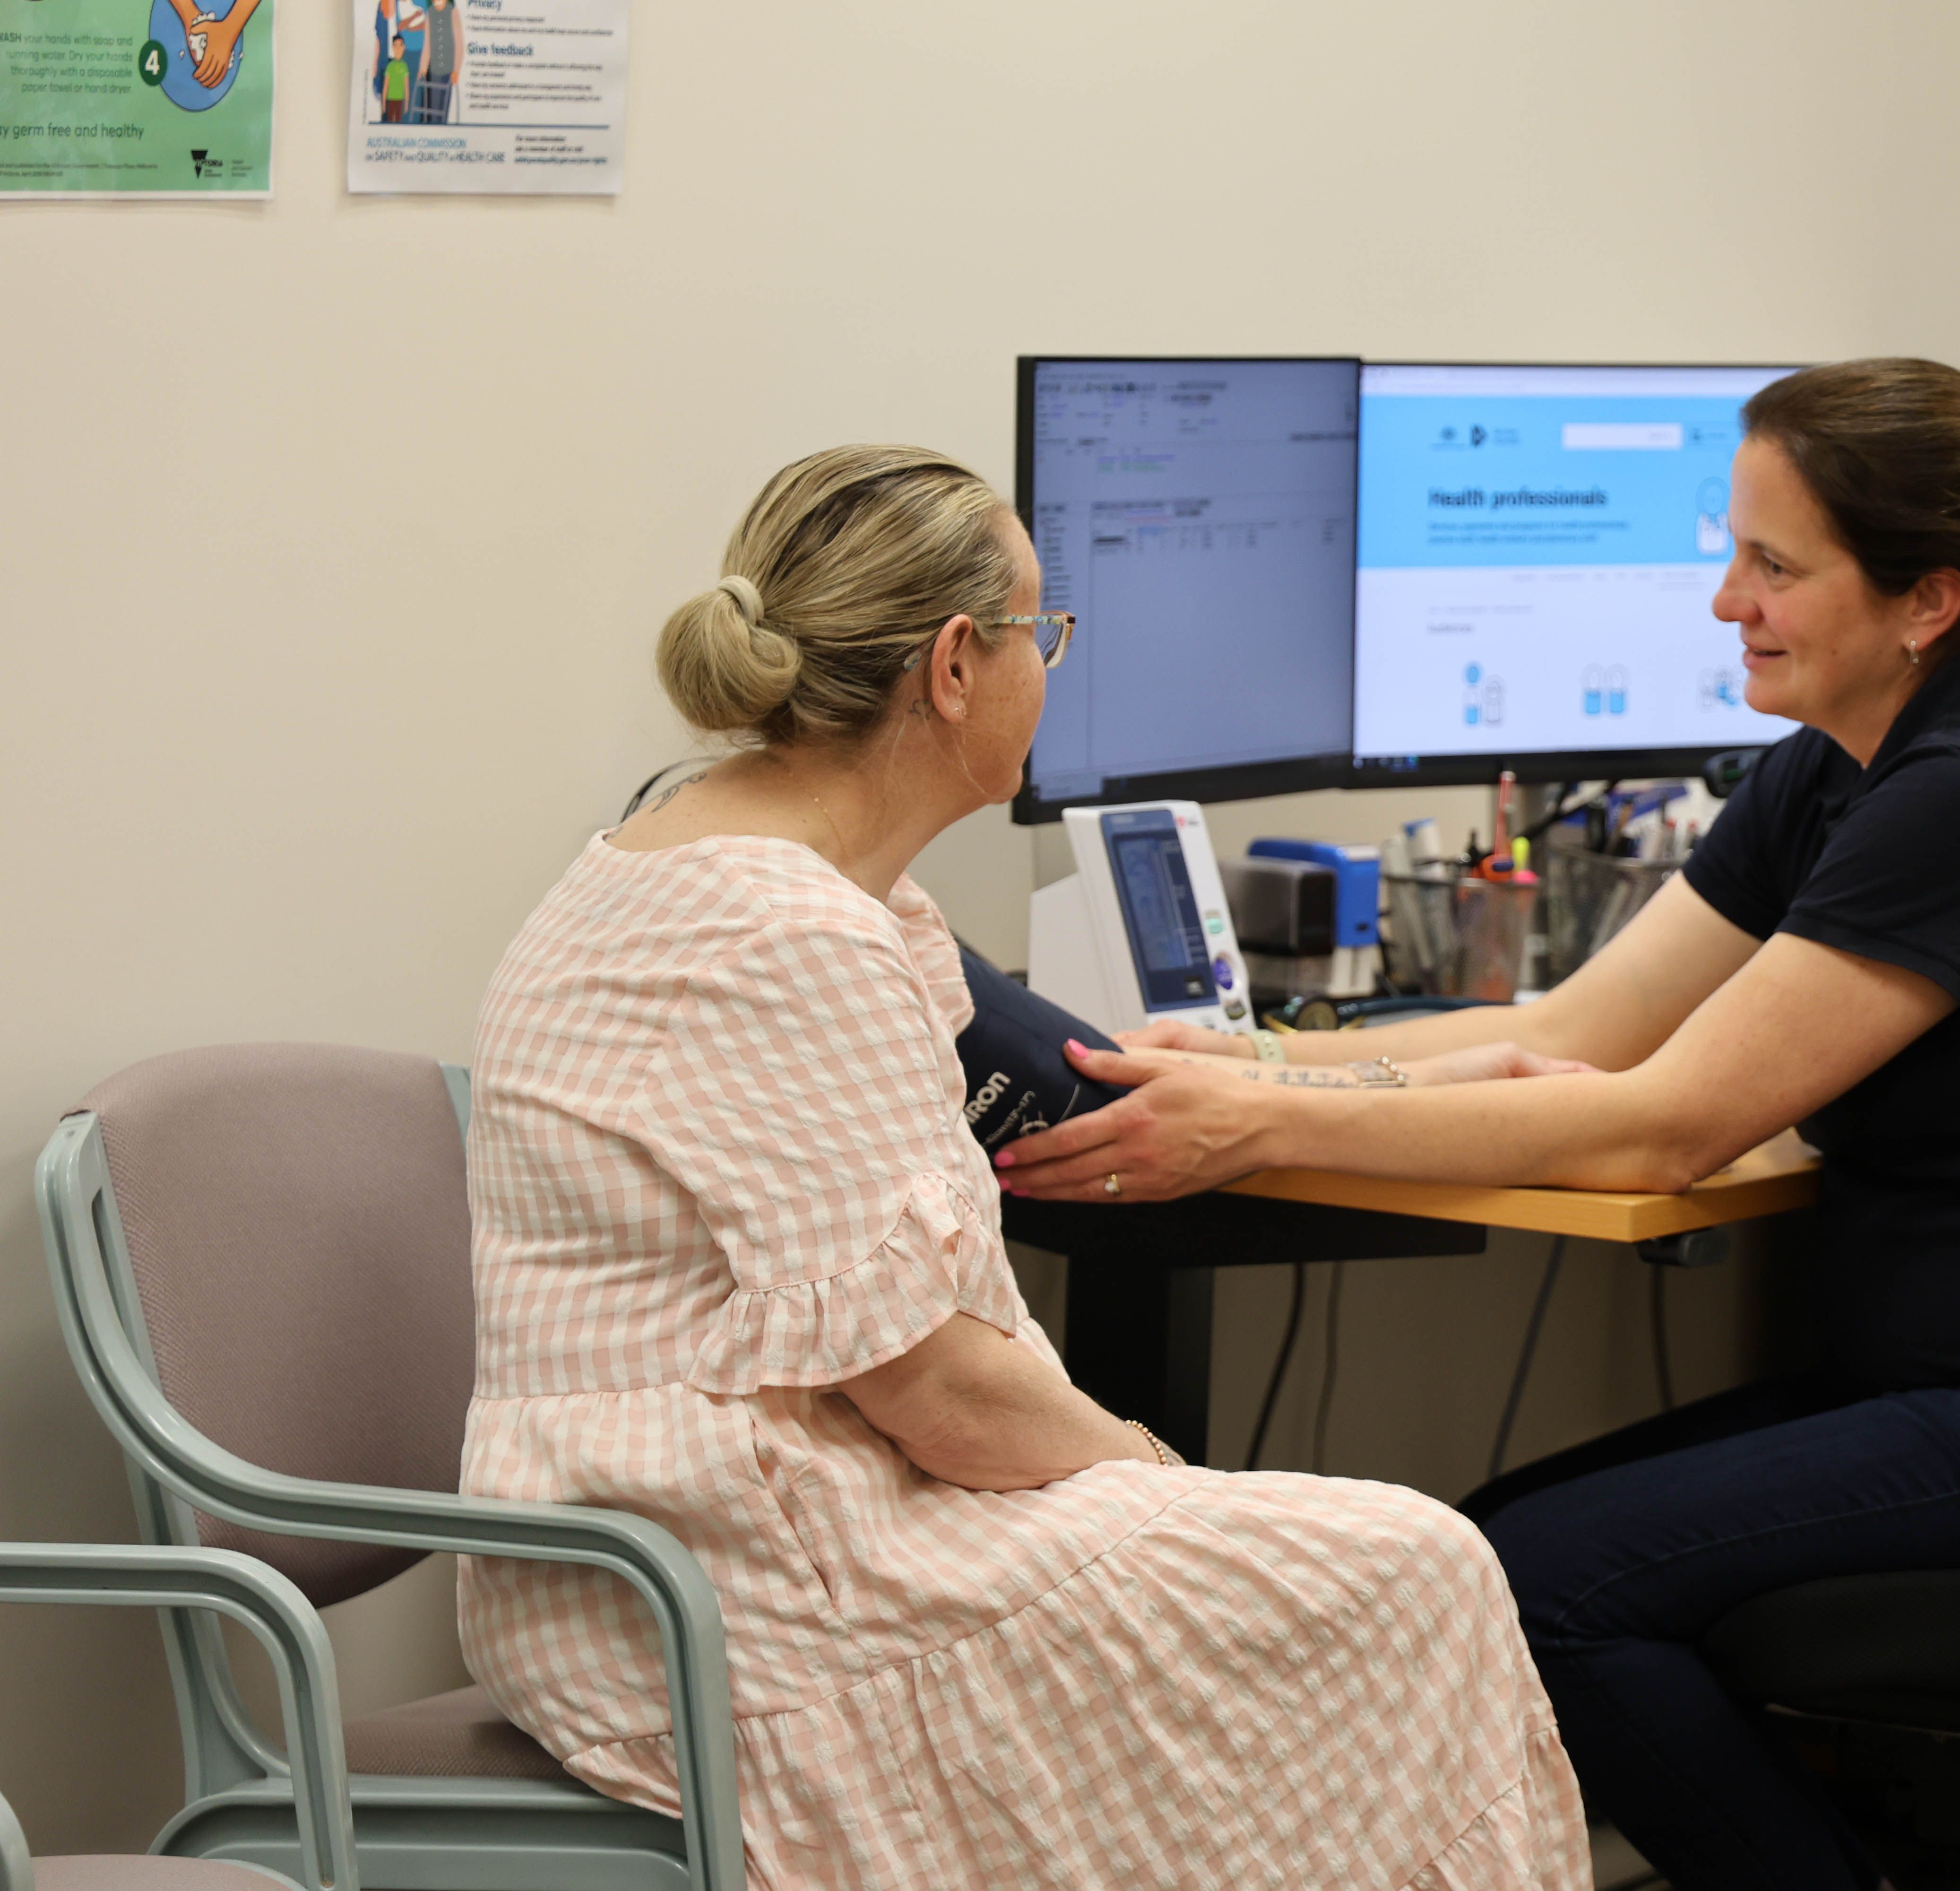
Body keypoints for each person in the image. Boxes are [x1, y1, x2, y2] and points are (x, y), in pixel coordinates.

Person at [996, 359, 1960, 1890]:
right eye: (1733, 552)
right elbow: (1581, 1035)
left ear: (1928, 603)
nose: (1725, 601)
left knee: (1533, 1587)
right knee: (1487, 1550)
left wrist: (1255, 1129)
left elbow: (1659, 1133)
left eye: (1775, 566)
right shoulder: (1842, 768)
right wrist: (1265, 1071)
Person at [458, 446, 1589, 1890]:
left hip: (724, 1530)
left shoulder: (746, 871)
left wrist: (1420, 1077)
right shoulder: (788, 937)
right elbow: (946, 1399)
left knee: (1359, 1583)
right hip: (731, 1585)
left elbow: (1104, 1086)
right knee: (1413, 1571)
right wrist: (1164, 1480)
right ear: (953, 666)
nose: (1049, 669)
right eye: (1040, 633)